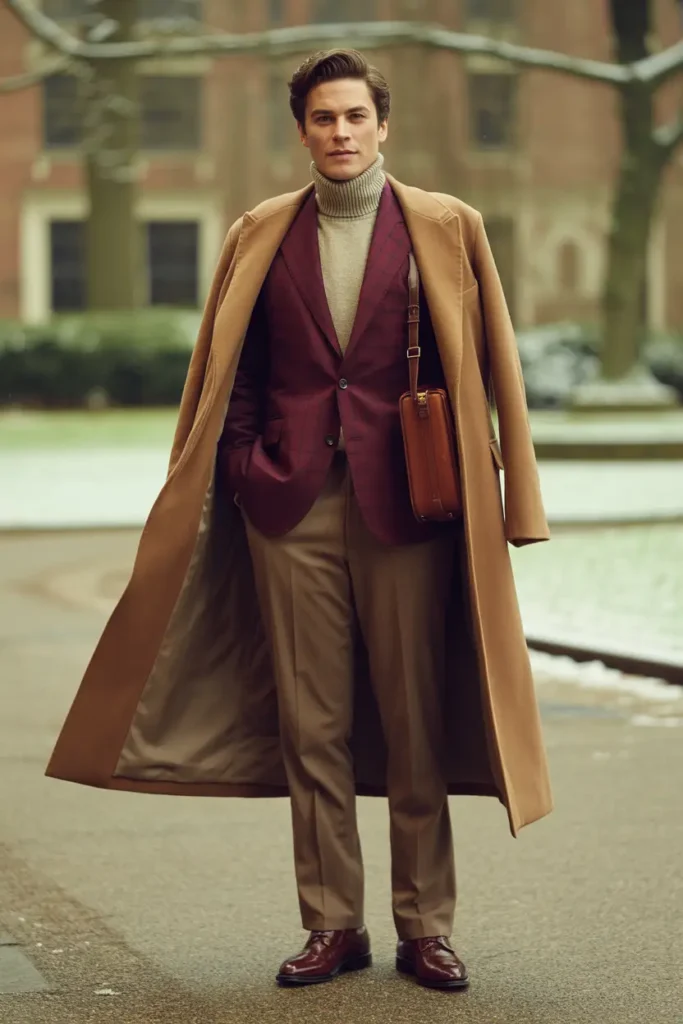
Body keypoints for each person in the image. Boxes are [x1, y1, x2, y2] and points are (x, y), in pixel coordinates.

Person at [46, 49, 552, 992]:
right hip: (290, 508)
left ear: (382, 124)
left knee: (413, 724)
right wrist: (242, 465)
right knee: (311, 727)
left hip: (412, 507)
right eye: (323, 118)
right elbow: (229, 370)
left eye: (355, 116)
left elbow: (490, 368)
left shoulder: (446, 226)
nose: (341, 132)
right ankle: (332, 924)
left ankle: (424, 927)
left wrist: (511, 495)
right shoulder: (260, 233)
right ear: (304, 130)